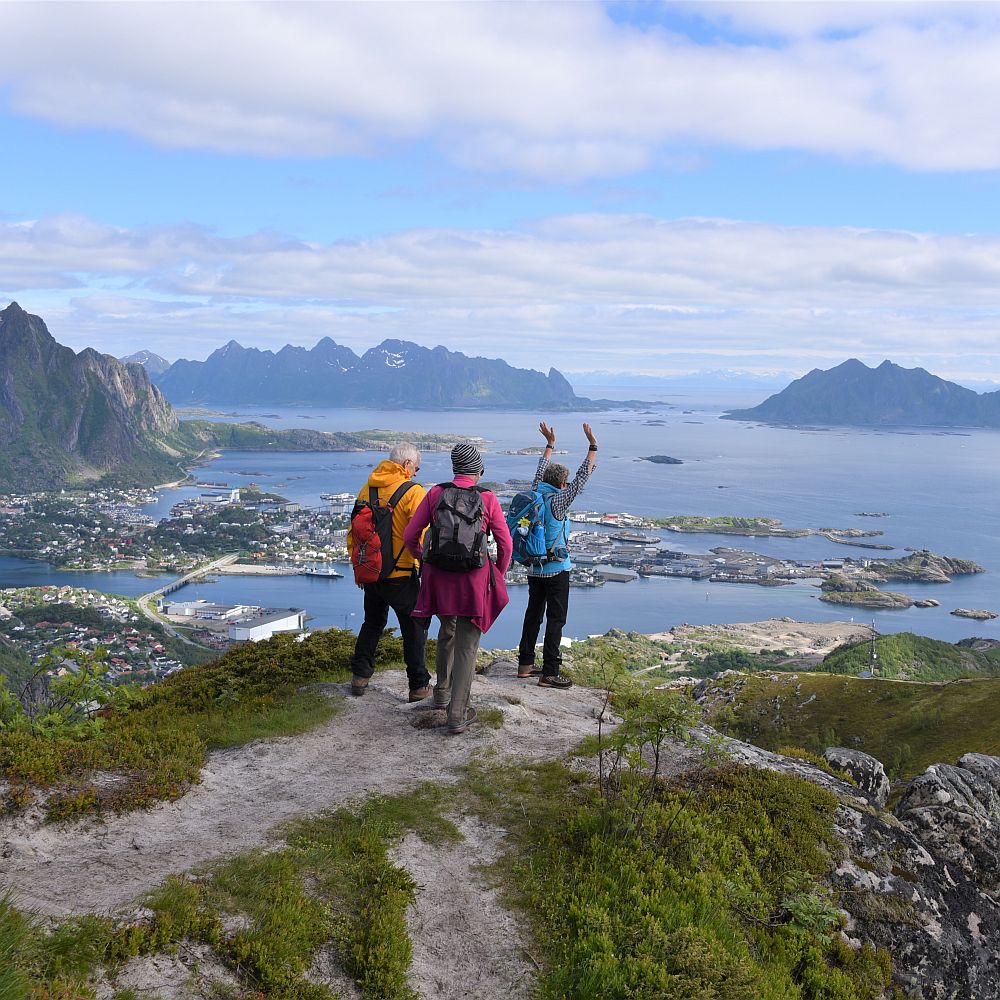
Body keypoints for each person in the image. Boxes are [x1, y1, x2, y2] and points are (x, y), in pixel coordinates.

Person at [404, 442, 512, 735]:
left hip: (438, 577)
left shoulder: (436, 493)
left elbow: (410, 535)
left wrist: (423, 558)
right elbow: (506, 544)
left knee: (447, 630)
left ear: (454, 469)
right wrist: (496, 575)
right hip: (473, 580)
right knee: (467, 644)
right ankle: (457, 713)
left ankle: (441, 693)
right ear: (478, 470)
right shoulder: (487, 499)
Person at [347, 442, 431, 702]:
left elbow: (355, 532)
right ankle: (418, 686)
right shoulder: (413, 492)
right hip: (402, 574)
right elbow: (423, 534)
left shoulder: (368, 488)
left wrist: (358, 570)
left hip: (372, 573)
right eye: (416, 468)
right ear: (406, 465)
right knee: (413, 629)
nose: (416, 473)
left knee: (372, 623)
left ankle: (360, 676)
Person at [517, 421, 598, 689]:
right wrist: (592, 446)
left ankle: (525, 664)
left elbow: (540, 469)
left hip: (533, 567)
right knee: (556, 619)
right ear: (561, 484)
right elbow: (582, 478)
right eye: (565, 484)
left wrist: (550, 444)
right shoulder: (558, 501)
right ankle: (550, 671)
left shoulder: (536, 493)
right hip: (556, 570)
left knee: (533, 614)